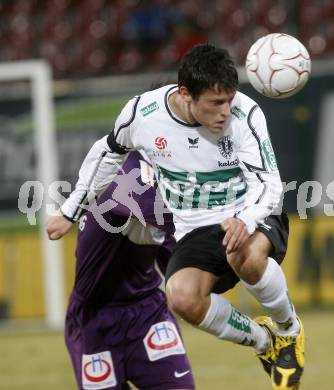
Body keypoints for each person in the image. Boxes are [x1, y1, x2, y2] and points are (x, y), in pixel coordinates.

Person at [47, 44, 305, 390]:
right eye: (216, 103)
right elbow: (108, 151)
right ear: (185, 94)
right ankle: (264, 340)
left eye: (229, 99)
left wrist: (245, 218)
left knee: (242, 253)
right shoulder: (143, 113)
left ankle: (289, 331)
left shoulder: (246, 114)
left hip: (252, 211)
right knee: (181, 295)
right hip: (197, 228)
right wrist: (70, 210)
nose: (225, 110)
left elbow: (270, 185)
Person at [65, 151, 195, 390]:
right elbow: (141, 202)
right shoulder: (126, 174)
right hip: (95, 320)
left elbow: (176, 266)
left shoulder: (168, 189)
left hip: (148, 312)